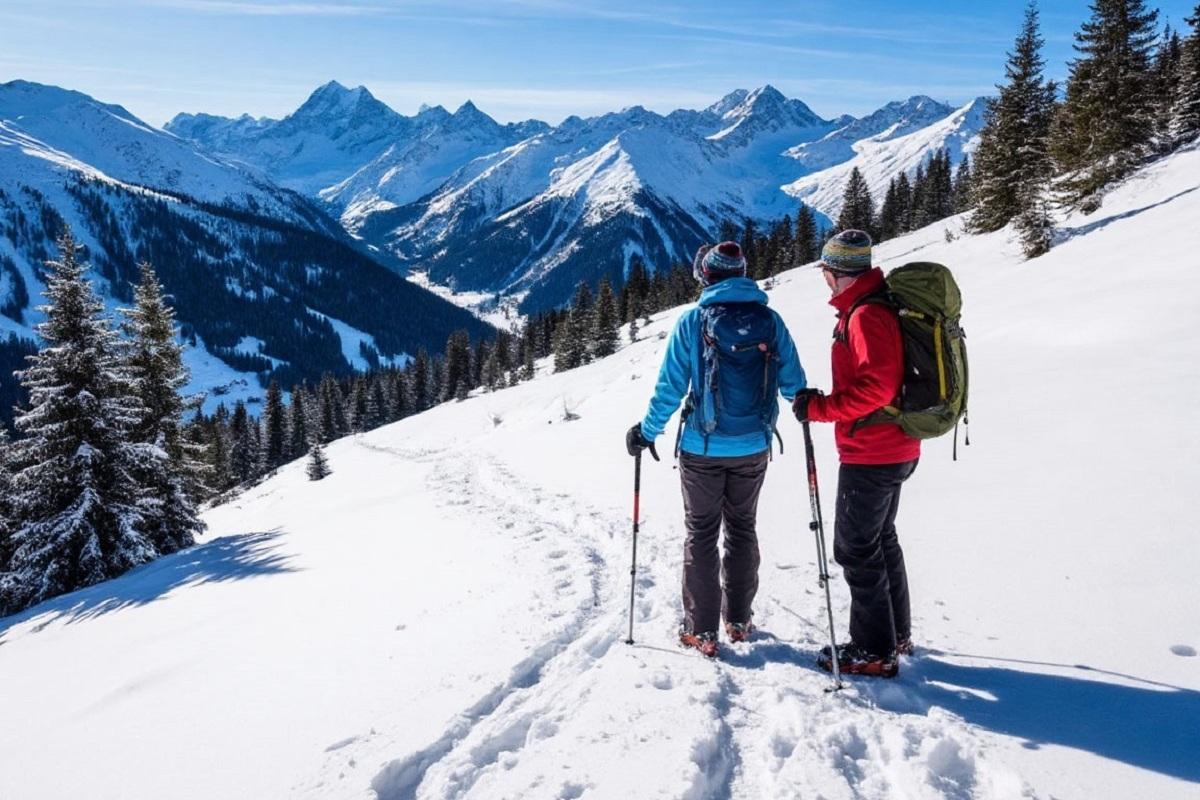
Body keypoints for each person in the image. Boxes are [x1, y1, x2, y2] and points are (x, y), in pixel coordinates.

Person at [626, 241, 807, 658]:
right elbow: (793, 384)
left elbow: (670, 388)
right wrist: (805, 406)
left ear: (706, 277)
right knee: (742, 527)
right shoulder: (770, 321)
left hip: (702, 448)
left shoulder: (694, 322)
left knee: (702, 533)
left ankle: (701, 630)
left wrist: (646, 432)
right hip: (753, 446)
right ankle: (739, 620)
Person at [792, 229, 919, 678]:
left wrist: (821, 408)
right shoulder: (873, 305)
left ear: (836, 273)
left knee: (855, 549)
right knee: (880, 540)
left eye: (826, 273)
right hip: (894, 445)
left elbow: (878, 386)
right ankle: (894, 634)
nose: (824, 281)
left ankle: (873, 649)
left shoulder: (865, 315)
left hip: (873, 451)